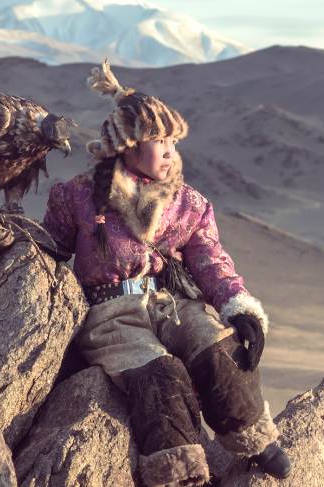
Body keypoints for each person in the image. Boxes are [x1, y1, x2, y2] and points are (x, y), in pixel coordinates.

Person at [40, 58, 291, 486]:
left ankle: (252, 435)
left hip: (169, 302)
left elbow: (209, 256)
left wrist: (237, 306)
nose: (170, 150)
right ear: (128, 145)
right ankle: (180, 475)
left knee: (216, 346)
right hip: (111, 315)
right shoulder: (77, 197)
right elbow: (50, 250)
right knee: (161, 376)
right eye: (159, 140)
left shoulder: (187, 202)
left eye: (173, 140)